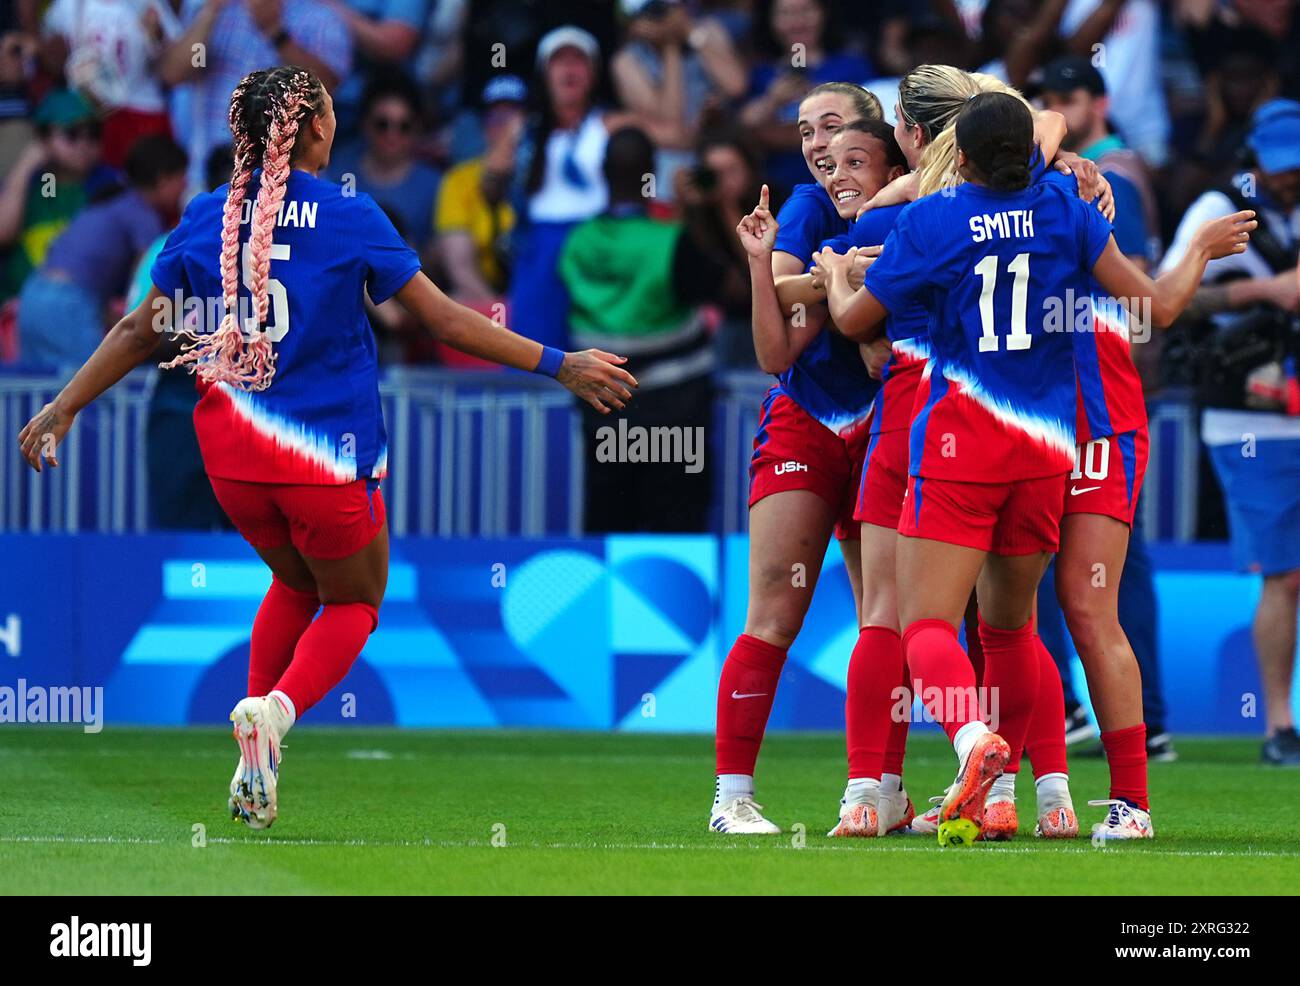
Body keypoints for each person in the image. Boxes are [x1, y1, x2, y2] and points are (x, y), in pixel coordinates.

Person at [17, 66, 637, 830]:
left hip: (232, 457)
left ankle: (254, 747)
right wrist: (559, 363)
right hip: (324, 456)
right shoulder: (349, 214)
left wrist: (62, 406)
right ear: (314, 129)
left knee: (294, 579)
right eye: (333, 112)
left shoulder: (207, 215)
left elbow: (141, 329)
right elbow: (441, 320)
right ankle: (275, 712)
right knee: (354, 600)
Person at [819, 91, 1254, 844]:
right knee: (1017, 631)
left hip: (958, 444)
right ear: (1033, 152)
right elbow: (1155, 306)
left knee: (924, 626)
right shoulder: (1067, 212)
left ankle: (971, 744)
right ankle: (1060, 798)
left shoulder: (934, 217)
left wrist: (832, 275)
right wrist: (1200, 252)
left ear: (960, 155)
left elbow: (858, 324)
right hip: (1049, 453)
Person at [709, 81, 892, 836]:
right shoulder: (809, 206)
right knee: (774, 615)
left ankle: (875, 792)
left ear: (885, 144)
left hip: (892, 423)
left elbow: (883, 355)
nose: (819, 147)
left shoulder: (921, 204)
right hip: (809, 419)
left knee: (888, 620)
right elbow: (774, 349)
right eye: (807, 131)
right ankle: (730, 798)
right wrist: (781, 271)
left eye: (835, 129)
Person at [1164, 98, 1300, 766]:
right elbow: (1163, 296)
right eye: (1279, 168)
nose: (1289, 179)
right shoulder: (1217, 209)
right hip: (1250, 416)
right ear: (1254, 159)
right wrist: (1265, 292)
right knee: (1284, 573)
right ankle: (1279, 726)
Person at [559, 126, 721, 533]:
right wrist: (699, 213)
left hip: (606, 407)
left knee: (609, 521)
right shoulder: (671, 240)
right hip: (676, 409)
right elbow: (726, 288)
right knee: (678, 528)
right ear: (652, 171)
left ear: (602, 170)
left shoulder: (577, 242)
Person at [17, 134, 188, 367]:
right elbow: (144, 291)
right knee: (86, 391)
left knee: (39, 392)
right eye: (182, 179)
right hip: (67, 303)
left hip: (33, 295)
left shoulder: (113, 199)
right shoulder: (143, 215)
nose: (185, 187)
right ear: (163, 179)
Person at [159, 0, 352, 193]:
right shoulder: (211, 11)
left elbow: (325, 90)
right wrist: (210, 12)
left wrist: (275, 32)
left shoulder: (320, 18)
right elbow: (175, 73)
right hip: (210, 177)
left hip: (285, 182)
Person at [610, 0, 747, 200]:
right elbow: (670, 118)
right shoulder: (626, 61)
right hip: (672, 156)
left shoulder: (705, 30)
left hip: (718, 140)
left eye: (663, 9)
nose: (659, 18)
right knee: (674, 168)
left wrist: (690, 33)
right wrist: (670, 47)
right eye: (650, 12)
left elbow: (736, 86)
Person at [740, 0, 875, 198]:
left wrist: (819, 96)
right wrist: (772, 100)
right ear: (771, 20)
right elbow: (745, 127)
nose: (797, 21)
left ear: (824, 13)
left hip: (848, 184)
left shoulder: (852, 65)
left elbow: (871, 122)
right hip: (778, 188)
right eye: (786, 13)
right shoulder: (762, 73)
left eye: (806, 10)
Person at [0, 89, 116, 305]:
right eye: (71, 133)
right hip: (16, 309)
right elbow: (3, 234)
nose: (84, 144)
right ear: (43, 138)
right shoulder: (35, 184)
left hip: (81, 309)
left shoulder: (108, 184)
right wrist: (26, 165)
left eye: (93, 133)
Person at [39, 0, 183, 167]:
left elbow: (174, 60)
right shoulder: (67, 5)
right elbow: (51, 57)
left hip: (141, 113)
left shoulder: (149, 3)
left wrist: (157, 36)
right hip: (87, 116)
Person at [325, 71, 441, 253]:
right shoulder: (334, 175)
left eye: (404, 126)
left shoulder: (435, 186)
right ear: (365, 124)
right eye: (382, 124)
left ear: (418, 128)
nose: (392, 136)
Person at [434, 75, 526, 302]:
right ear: (484, 127)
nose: (507, 127)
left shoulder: (549, 170)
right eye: (496, 118)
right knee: (455, 300)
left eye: (514, 117)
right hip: (484, 299)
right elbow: (459, 266)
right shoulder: (459, 179)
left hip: (534, 291)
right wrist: (501, 320)